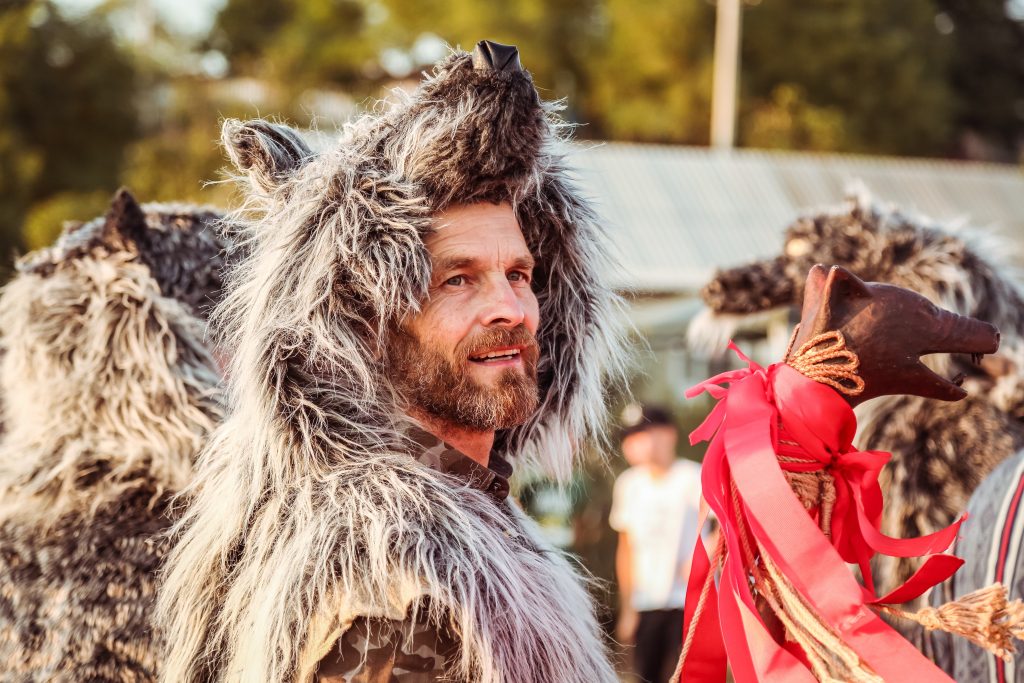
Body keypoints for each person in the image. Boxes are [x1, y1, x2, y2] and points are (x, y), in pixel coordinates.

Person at [156, 41, 630, 683]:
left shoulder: (476, 513)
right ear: (364, 325)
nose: (511, 309)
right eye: (457, 280)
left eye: (519, 274)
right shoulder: (395, 585)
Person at [611, 404, 703, 683]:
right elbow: (626, 549)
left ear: (667, 434)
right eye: (629, 437)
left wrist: (701, 557)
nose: (633, 444)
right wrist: (628, 608)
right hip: (646, 603)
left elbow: (719, 529)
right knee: (644, 676)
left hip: (685, 601)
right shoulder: (628, 485)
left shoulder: (693, 477)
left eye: (642, 433)